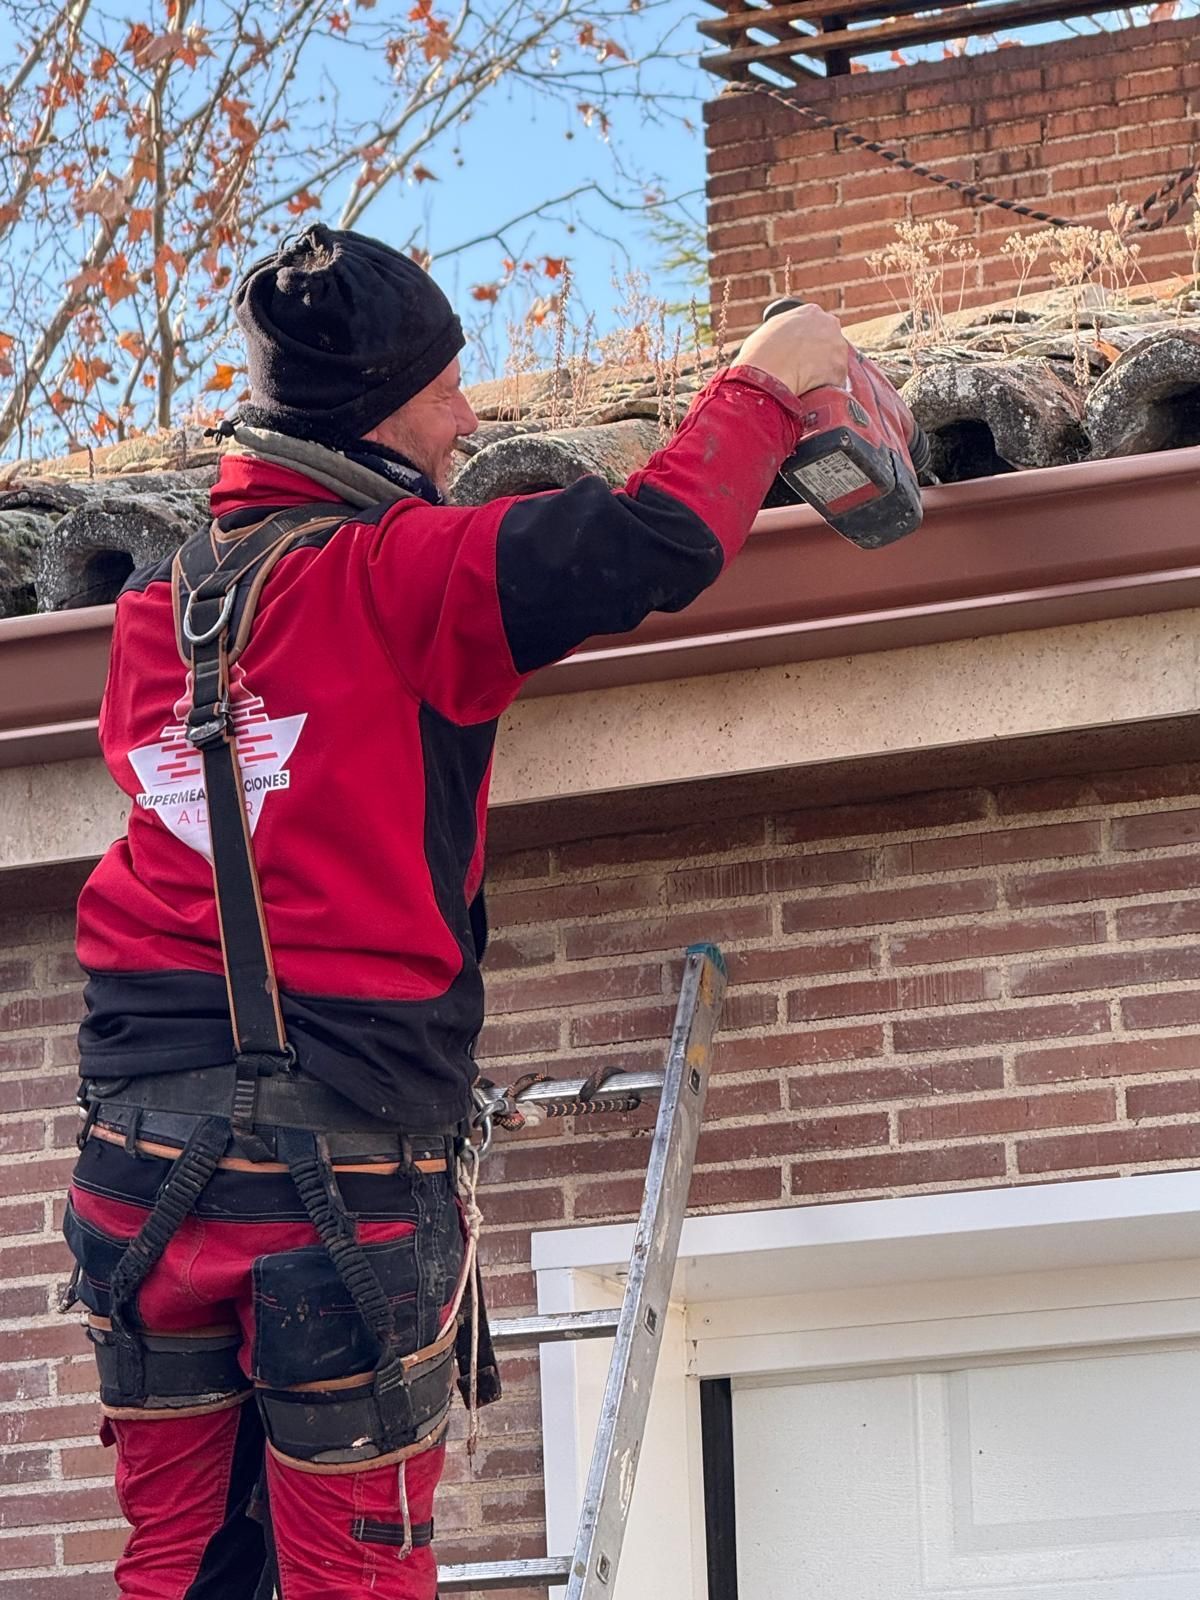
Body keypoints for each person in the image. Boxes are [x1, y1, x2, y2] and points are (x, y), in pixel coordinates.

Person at [62, 222, 849, 1600]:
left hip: (134, 1169)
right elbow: (648, 542)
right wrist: (768, 383)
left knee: (182, 1564)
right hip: (341, 1172)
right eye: (445, 389)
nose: (469, 418)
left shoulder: (157, 614)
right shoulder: (402, 575)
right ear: (378, 409)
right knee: (349, 1576)